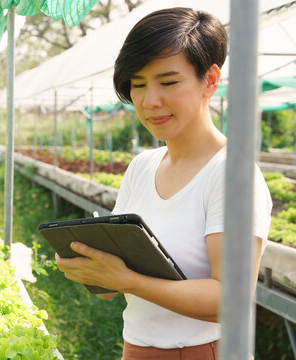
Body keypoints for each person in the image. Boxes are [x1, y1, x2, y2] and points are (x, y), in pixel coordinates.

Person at [55, 7, 272, 360]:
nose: (149, 101)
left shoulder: (232, 175)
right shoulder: (142, 166)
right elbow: (112, 282)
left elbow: (231, 299)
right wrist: (90, 265)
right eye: (137, 85)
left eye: (168, 82)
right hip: (136, 349)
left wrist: (129, 281)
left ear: (210, 80)